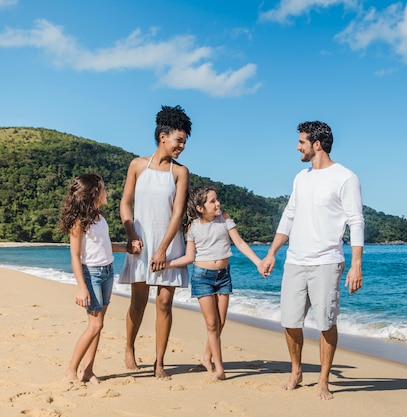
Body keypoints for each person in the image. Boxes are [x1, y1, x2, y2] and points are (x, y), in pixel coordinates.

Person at [258, 121, 364, 400]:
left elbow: (356, 221)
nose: (298, 146)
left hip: (327, 262)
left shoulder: (345, 177)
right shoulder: (300, 178)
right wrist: (272, 253)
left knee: (326, 322)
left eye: (302, 142)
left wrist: (356, 263)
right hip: (295, 261)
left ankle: (323, 380)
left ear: (317, 144)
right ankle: (296, 370)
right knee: (290, 321)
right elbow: (288, 216)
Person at [118, 105, 192, 379]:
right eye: (179, 140)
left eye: (184, 142)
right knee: (138, 302)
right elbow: (125, 204)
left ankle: (159, 362)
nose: (182, 146)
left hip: (169, 245)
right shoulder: (137, 165)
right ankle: (129, 347)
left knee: (163, 303)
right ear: (163, 136)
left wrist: (162, 248)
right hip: (140, 242)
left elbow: (178, 213)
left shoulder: (180, 172)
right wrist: (131, 235)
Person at [165, 185, 263, 380]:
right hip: (202, 277)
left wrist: (258, 262)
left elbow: (241, 243)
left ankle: (206, 356)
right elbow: (189, 257)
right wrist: (165, 264)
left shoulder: (225, 219)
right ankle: (219, 368)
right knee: (211, 324)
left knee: (221, 322)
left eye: (217, 199)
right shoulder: (193, 227)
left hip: (223, 276)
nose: (217, 203)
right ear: (200, 207)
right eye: (212, 201)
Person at [59, 173, 128, 384]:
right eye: (103, 188)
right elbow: (75, 256)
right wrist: (81, 287)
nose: (106, 191)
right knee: (95, 325)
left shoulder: (100, 218)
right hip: (92, 274)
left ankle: (88, 371)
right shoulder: (78, 222)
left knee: (98, 324)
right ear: (93, 193)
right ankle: (71, 371)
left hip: (107, 271)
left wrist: (127, 249)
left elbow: (105, 246)